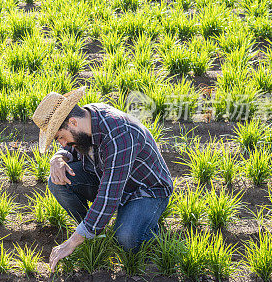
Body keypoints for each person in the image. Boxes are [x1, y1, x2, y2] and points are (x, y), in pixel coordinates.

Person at [30, 87, 173, 272]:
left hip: (144, 190)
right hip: (108, 179)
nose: (62, 144)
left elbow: (109, 197)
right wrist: (59, 157)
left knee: (126, 239)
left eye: (60, 138)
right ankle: (93, 232)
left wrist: (71, 242)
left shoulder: (120, 134)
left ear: (72, 122)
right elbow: (75, 145)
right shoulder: (85, 119)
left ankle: (148, 229)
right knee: (57, 180)